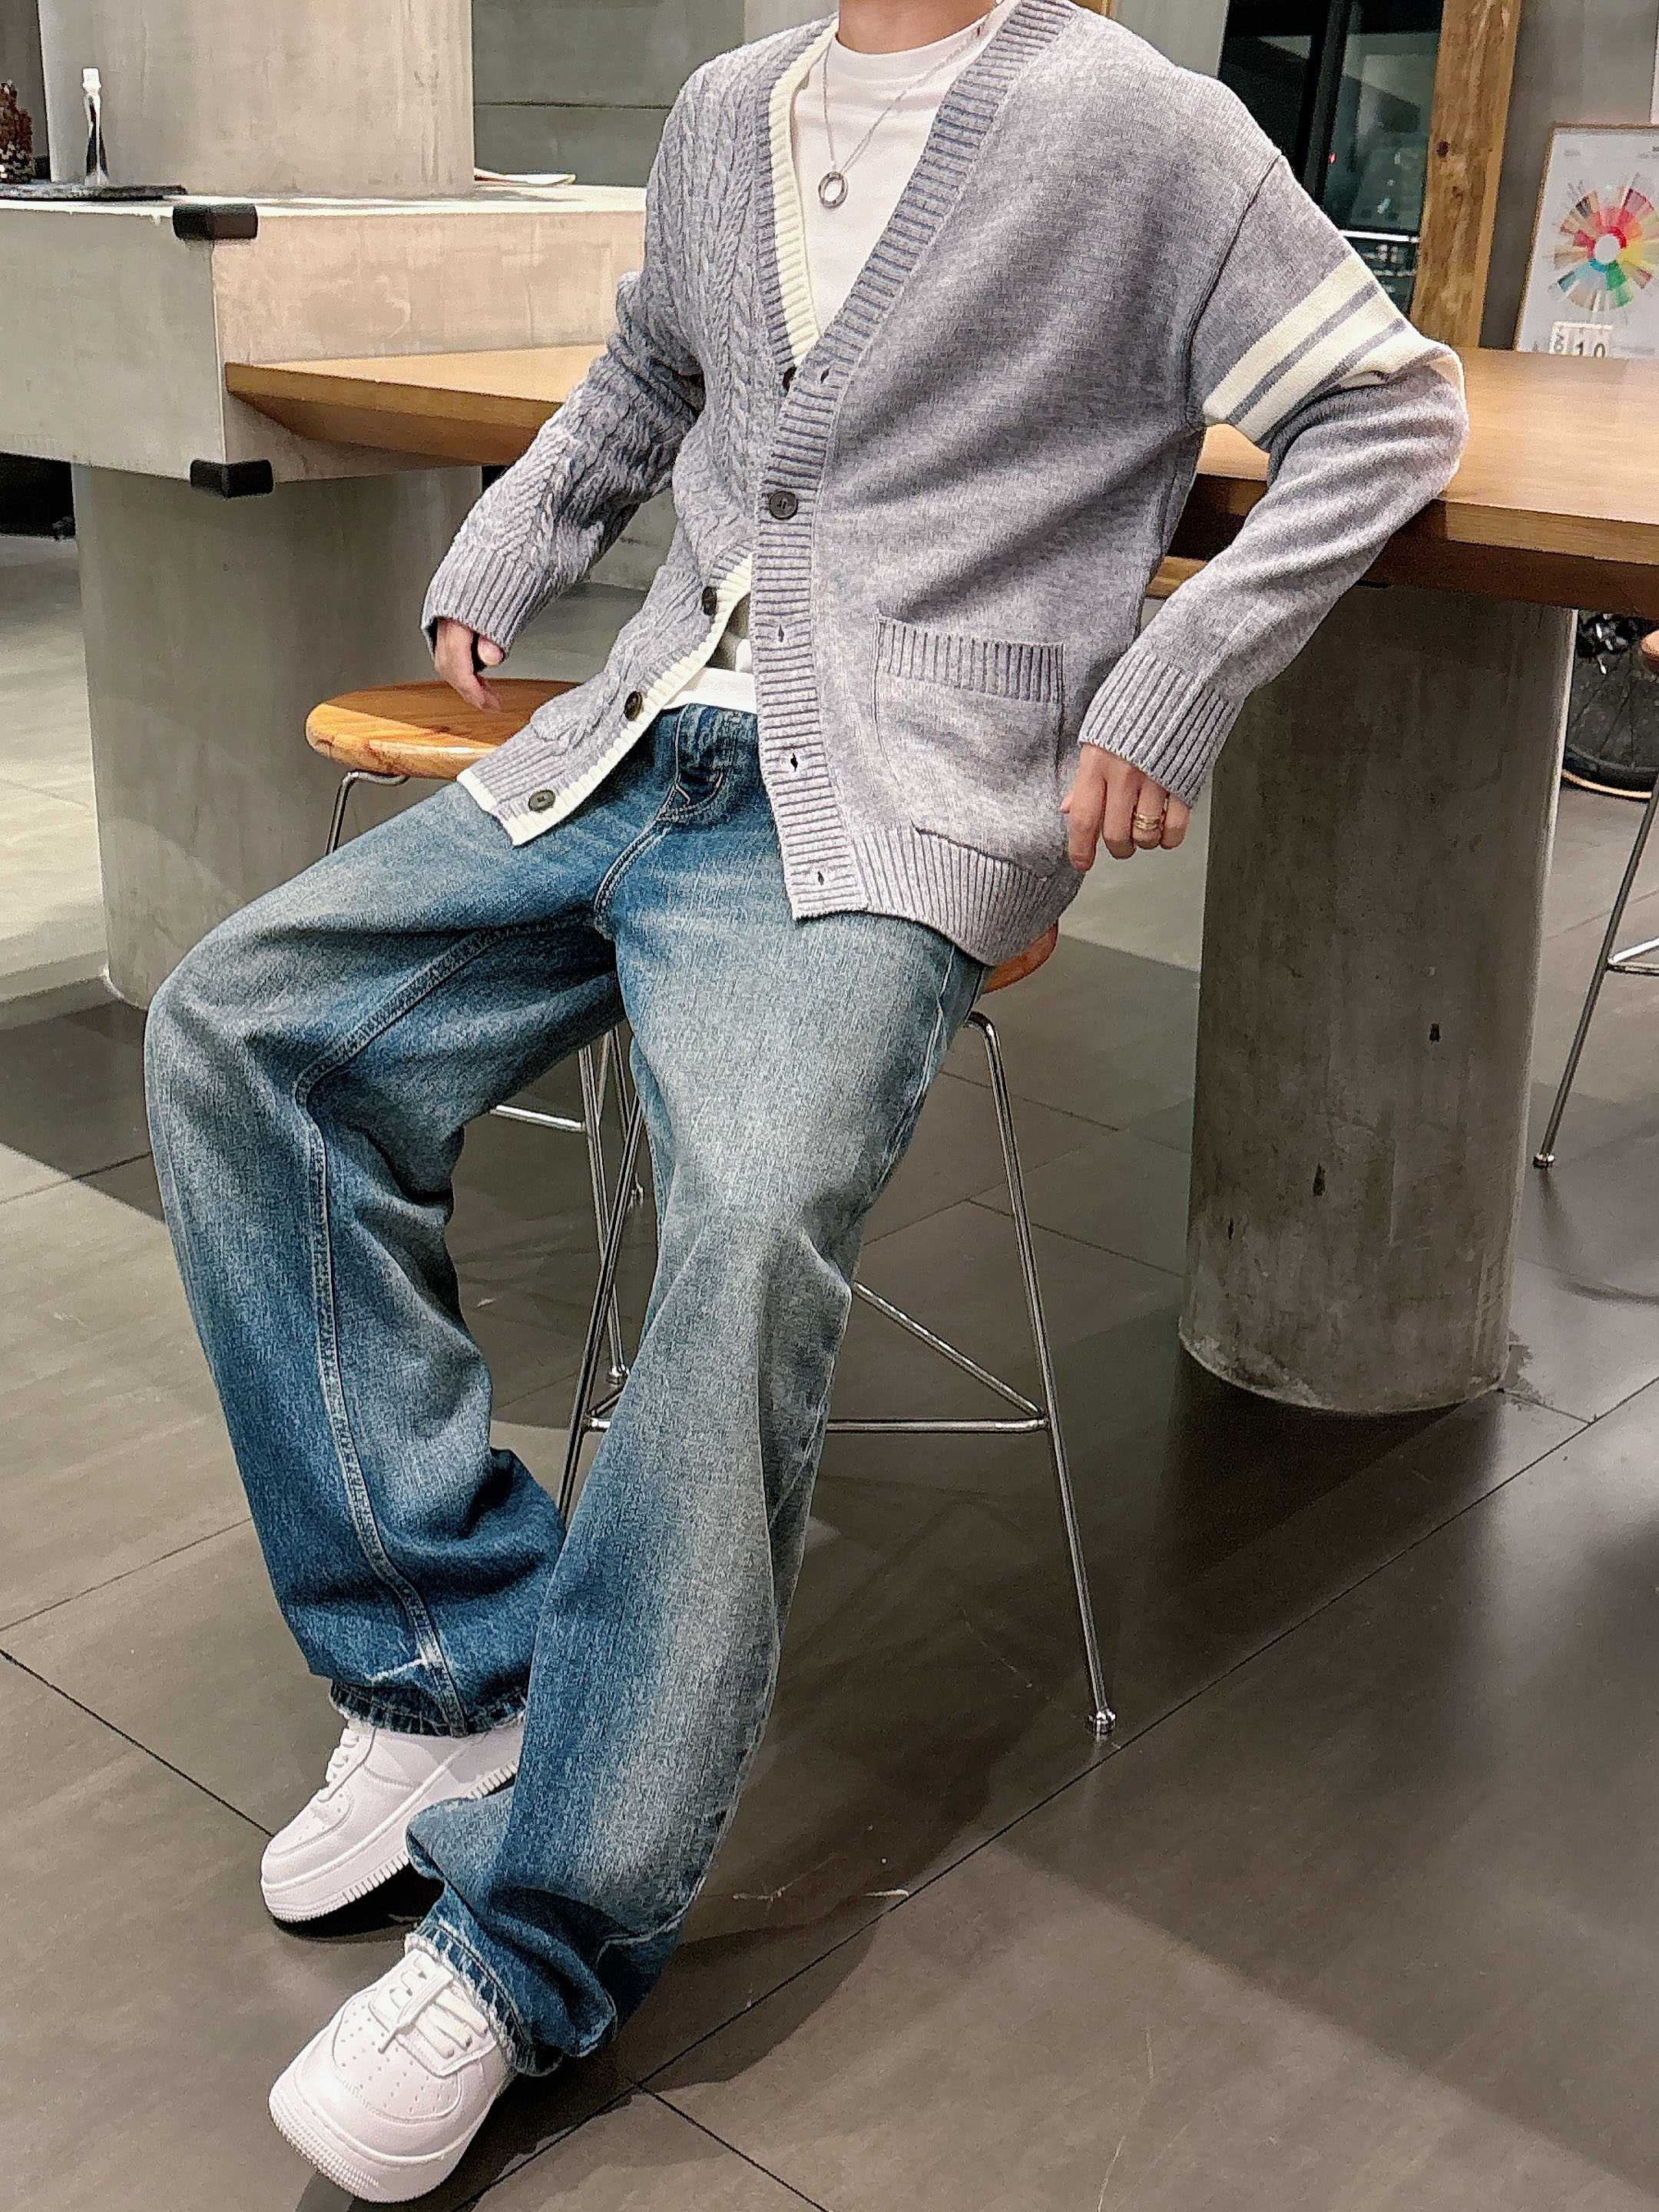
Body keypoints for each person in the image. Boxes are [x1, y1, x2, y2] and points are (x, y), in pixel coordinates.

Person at [143, 0, 1469, 2197]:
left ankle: (533, 1939)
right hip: (633, 744)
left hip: (894, 805)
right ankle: (445, 1662)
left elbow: (1387, 407)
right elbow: (654, 369)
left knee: (747, 1224)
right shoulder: (724, 108)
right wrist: (518, 536)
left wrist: (1176, 674)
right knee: (236, 1032)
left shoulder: (1139, 126)